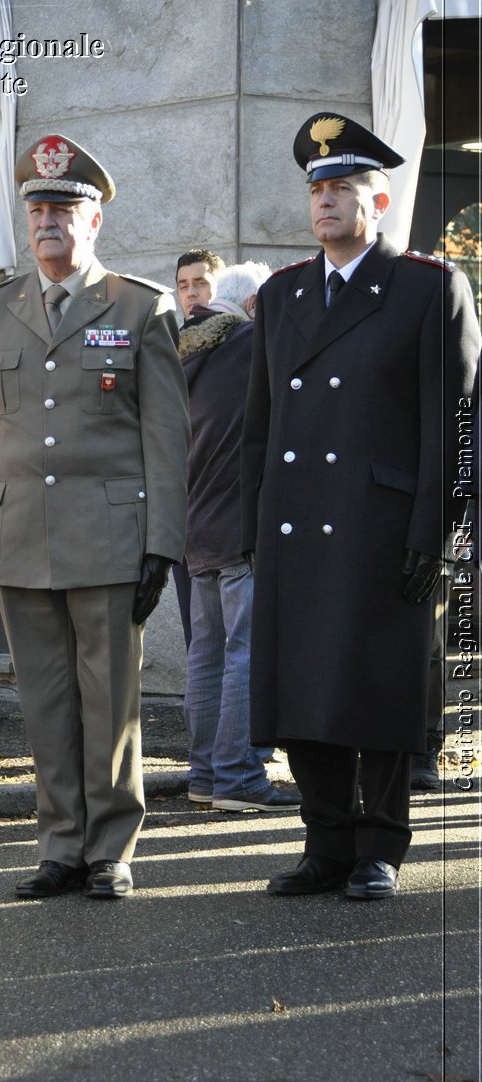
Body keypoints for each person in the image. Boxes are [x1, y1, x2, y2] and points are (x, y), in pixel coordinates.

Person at [241, 112, 480, 900]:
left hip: (383, 527)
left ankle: (379, 845)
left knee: (376, 687)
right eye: (316, 188)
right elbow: (259, 424)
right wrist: (250, 529)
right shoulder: (281, 296)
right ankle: (324, 843)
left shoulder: (427, 287)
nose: (325, 201)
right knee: (302, 687)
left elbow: (457, 424)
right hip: (294, 520)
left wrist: (438, 534)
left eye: (342, 187)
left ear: (378, 203)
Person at [0, 133, 190, 900]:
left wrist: (162, 543)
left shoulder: (139, 307)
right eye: (38, 210)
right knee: (46, 700)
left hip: (108, 538)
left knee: (108, 702)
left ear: (94, 222)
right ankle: (59, 845)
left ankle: (110, 848)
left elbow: (165, 436)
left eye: (64, 208)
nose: (49, 221)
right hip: (20, 534)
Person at [182, 261, 300, 814]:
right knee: (245, 653)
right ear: (254, 305)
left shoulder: (185, 348)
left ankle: (205, 773)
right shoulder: (253, 345)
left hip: (195, 526)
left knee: (206, 653)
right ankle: (238, 777)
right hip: (242, 527)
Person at [172, 248, 226, 645]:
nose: (192, 293)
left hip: (225, 508)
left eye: (201, 283)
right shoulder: (166, 346)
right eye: (184, 285)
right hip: (180, 508)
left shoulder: (241, 340)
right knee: (198, 639)